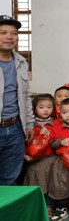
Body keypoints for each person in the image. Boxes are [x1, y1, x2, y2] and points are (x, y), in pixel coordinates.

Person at [0, 15, 35, 185]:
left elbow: (25, 96)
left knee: (10, 177)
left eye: (14, 33)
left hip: (15, 128)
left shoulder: (21, 62)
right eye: (3, 33)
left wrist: (29, 124)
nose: (9, 37)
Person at [24, 94, 57, 217]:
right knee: (36, 183)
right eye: (41, 107)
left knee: (51, 183)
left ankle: (49, 206)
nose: (45, 110)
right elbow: (24, 140)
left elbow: (59, 139)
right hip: (34, 160)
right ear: (34, 109)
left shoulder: (56, 123)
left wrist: (49, 135)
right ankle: (35, 206)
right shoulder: (30, 125)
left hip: (50, 158)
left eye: (49, 107)